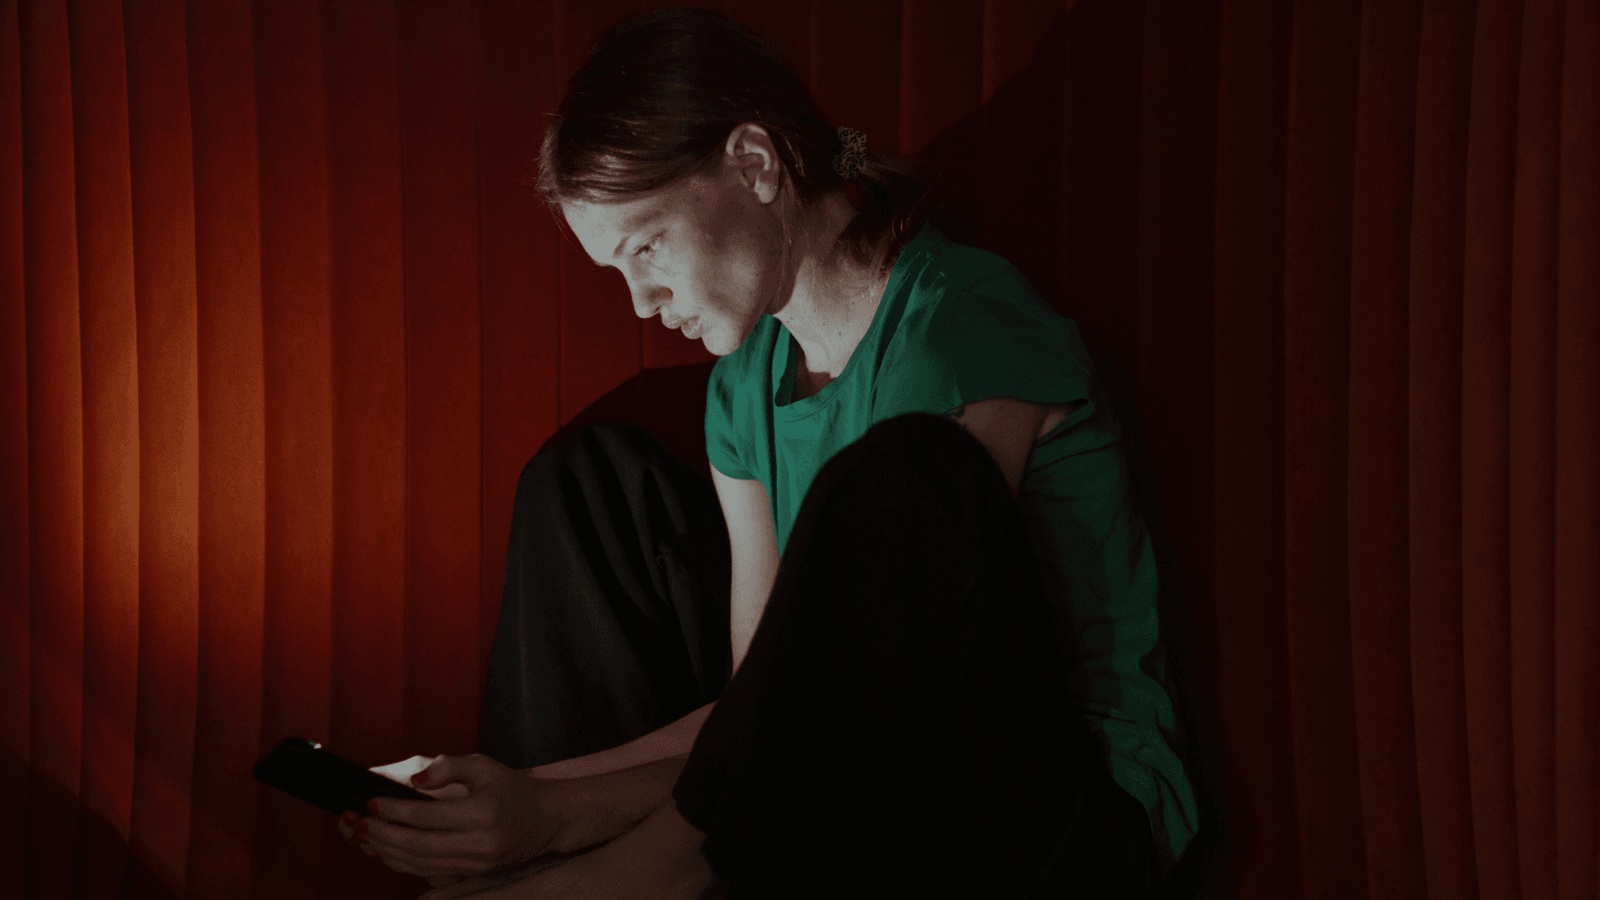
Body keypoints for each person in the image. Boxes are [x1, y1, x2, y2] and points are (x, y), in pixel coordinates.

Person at [339, 6, 1198, 898]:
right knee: (588, 477)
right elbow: (761, 713)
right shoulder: (743, 390)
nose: (640, 302)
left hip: (1061, 820)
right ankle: (568, 860)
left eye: (648, 246)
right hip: (861, 794)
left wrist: (596, 835)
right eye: (616, 271)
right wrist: (534, 799)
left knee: (907, 473)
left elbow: (882, 709)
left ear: (753, 164)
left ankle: (647, 875)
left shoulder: (960, 327)